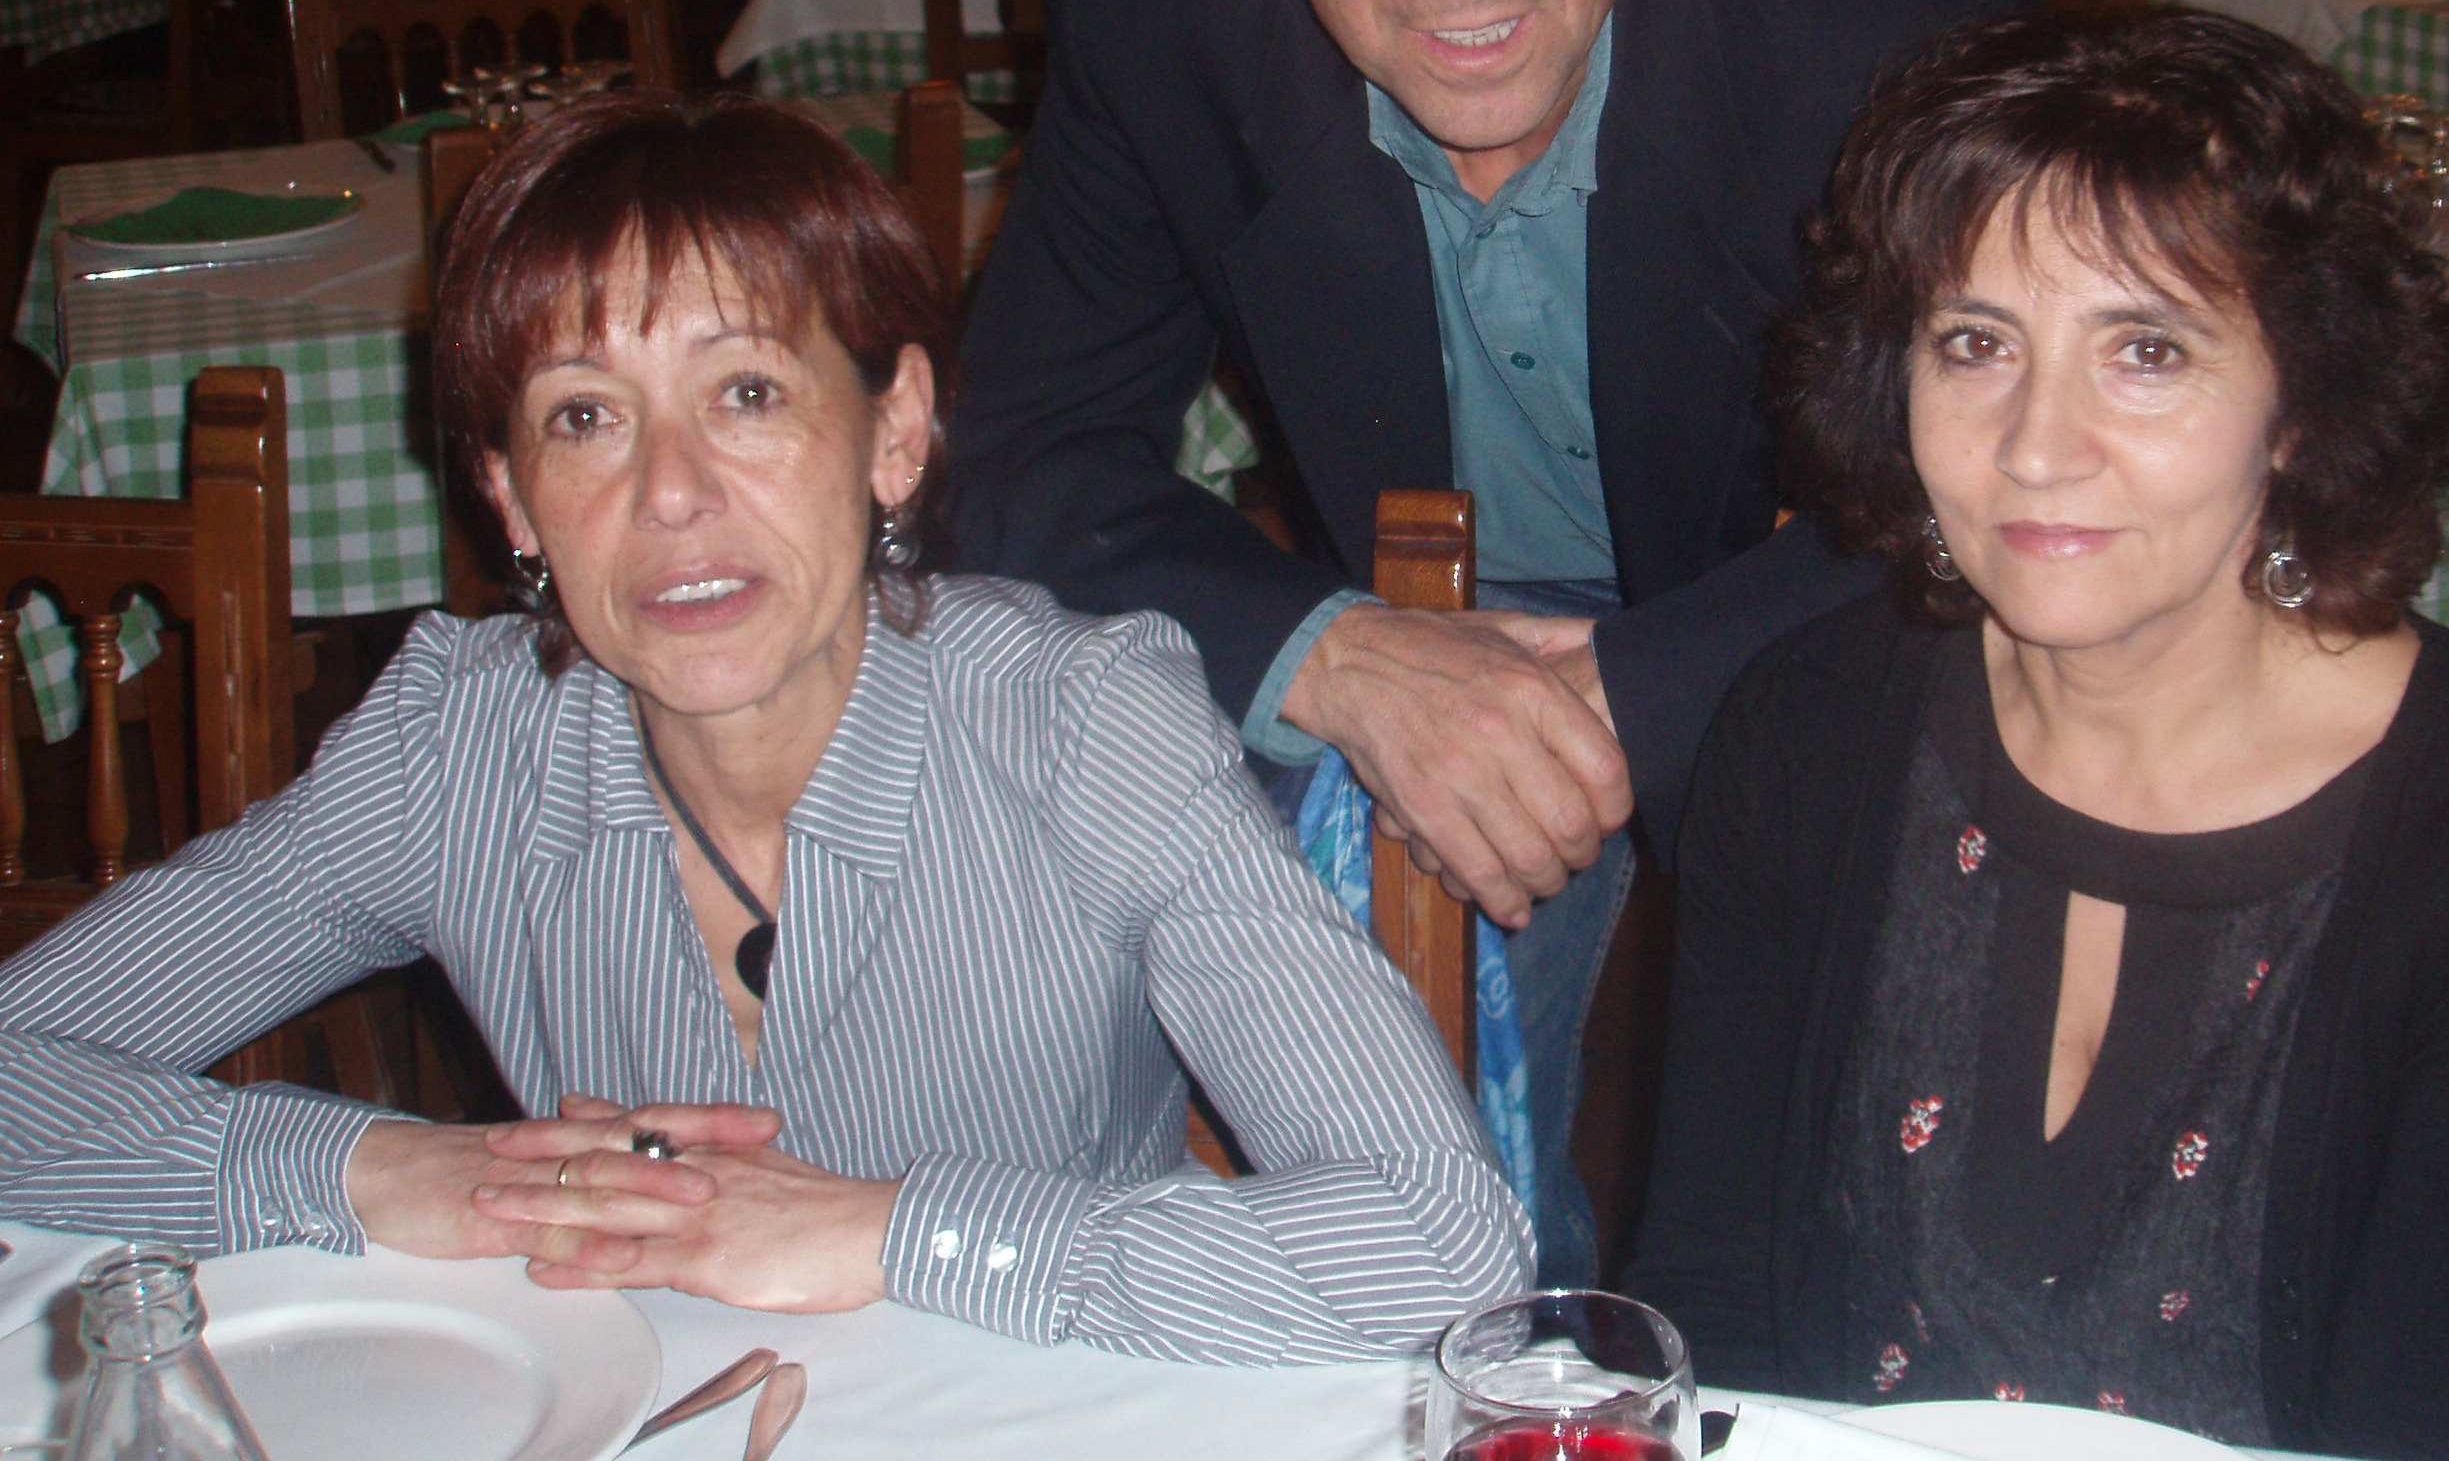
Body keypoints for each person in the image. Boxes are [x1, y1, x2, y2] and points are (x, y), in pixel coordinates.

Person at [0, 95, 1529, 1363]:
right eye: (584, 416)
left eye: (745, 392)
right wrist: (380, 1168)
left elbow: (1438, 1241)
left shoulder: (1082, 728)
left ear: (895, 432)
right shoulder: (456, 753)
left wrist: (888, 1232)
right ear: (513, 500)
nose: (669, 493)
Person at [950, 0, 2034, 1283]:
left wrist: (1634, 692)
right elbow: (1016, 456)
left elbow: (1997, 482)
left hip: (1800, 611)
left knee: (1848, 1217)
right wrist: (1339, 653)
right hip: (1410, 624)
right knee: (1236, 1101)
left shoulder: (1881, 32)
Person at [1627, 8, 2449, 1458]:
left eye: (2147, 351)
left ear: (2301, 403)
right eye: (1976, 343)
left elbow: (2439, 1423)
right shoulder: (1808, 732)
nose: (2037, 446)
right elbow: (1713, 1314)